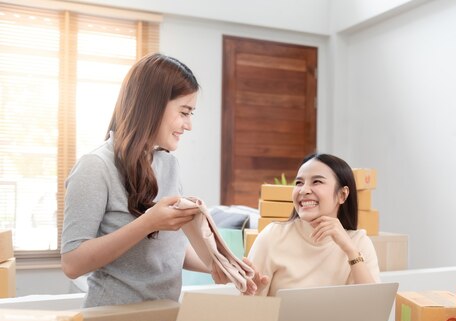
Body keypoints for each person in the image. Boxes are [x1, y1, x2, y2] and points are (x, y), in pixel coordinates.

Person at [61, 53, 261, 307]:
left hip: (164, 315)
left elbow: (171, 249)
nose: (188, 125)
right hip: (111, 320)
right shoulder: (95, 167)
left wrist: (221, 267)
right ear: (152, 106)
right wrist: (147, 223)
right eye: (184, 112)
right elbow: (72, 263)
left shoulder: (169, 165)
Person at [248, 153, 380, 297]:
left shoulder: (359, 242)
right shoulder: (273, 236)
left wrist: (350, 251)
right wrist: (253, 291)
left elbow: (372, 305)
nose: (304, 190)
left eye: (317, 181)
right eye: (299, 183)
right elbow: (246, 310)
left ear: (342, 195)